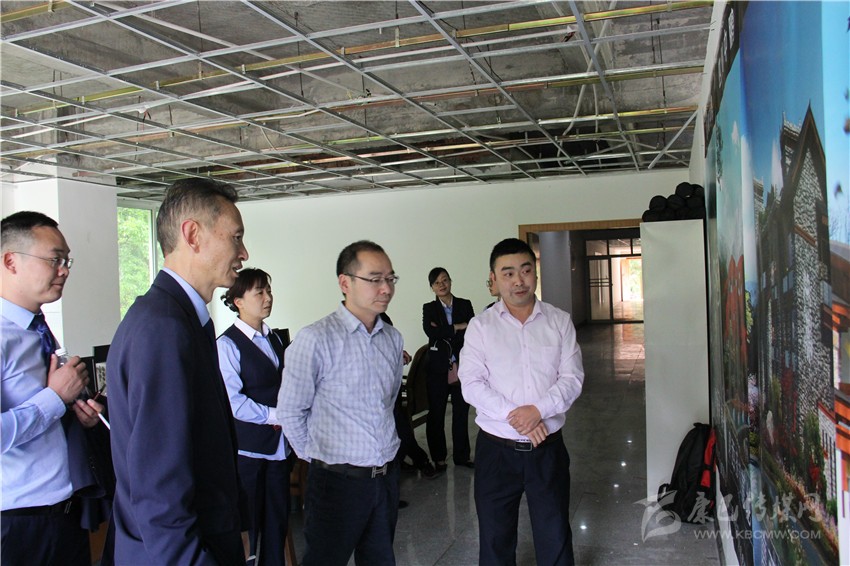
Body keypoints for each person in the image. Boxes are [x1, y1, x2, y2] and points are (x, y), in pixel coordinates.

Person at [106, 178, 249, 565]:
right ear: (193, 235)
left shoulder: (178, 318)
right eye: (236, 238)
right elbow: (158, 487)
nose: (244, 253)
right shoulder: (164, 328)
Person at [458, 238, 584, 566]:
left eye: (526, 271)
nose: (518, 280)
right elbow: (471, 384)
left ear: (535, 274)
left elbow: (572, 379)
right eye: (508, 273)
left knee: (554, 532)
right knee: (495, 536)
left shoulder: (559, 321)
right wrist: (518, 417)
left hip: (547, 450)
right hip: (496, 451)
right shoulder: (480, 327)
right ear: (494, 279)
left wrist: (538, 411)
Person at [278, 240, 404, 566]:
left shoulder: (392, 339)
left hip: (385, 478)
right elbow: (290, 411)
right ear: (345, 282)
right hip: (336, 483)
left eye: (390, 278)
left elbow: (387, 402)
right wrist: (322, 458)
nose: (386, 288)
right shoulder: (316, 338)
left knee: (380, 559)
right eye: (374, 279)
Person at [1, 211, 104, 566]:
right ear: (11, 261)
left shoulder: (37, 329)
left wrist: (78, 415)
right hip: (18, 523)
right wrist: (55, 398)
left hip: (65, 512)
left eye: (67, 261)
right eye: (54, 259)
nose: (64, 270)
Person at [218, 268, 291, 565]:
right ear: (238, 301)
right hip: (250, 450)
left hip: (279, 447)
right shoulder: (227, 344)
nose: (267, 297)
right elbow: (234, 402)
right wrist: (277, 415)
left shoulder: (274, 338)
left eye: (268, 291)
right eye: (259, 292)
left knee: (277, 520)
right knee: (249, 526)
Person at [421, 267, 475, 471]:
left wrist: (444, 331)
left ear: (450, 281)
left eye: (444, 280)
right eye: (437, 282)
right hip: (437, 368)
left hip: (462, 366)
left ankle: (462, 456)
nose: (441, 285)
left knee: (461, 412)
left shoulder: (464, 304)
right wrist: (457, 327)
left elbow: (472, 330)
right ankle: (439, 457)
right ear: (432, 287)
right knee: (436, 414)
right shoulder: (429, 308)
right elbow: (430, 332)